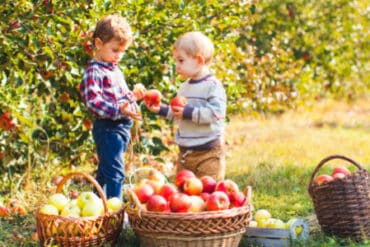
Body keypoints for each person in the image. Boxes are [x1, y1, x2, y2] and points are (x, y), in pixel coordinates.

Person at [145, 31, 227, 181]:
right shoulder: (184, 87)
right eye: (175, 61)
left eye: (181, 60)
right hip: (185, 154)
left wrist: (188, 112)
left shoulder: (213, 86)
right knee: (184, 197)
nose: (176, 66)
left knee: (209, 193)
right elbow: (179, 113)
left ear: (199, 60)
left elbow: (216, 113)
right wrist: (161, 110)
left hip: (208, 153)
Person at [80, 14, 145, 199]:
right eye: (115, 50)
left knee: (105, 169)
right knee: (116, 171)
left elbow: (121, 101)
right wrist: (119, 110)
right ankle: (114, 211)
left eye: (123, 51)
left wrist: (134, 97)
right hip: (108, 129)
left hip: (121, 129)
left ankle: (97, 203)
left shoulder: (114, 69)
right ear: (99, 43)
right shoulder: (95, 71)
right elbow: (93, 102)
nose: (119, 55)